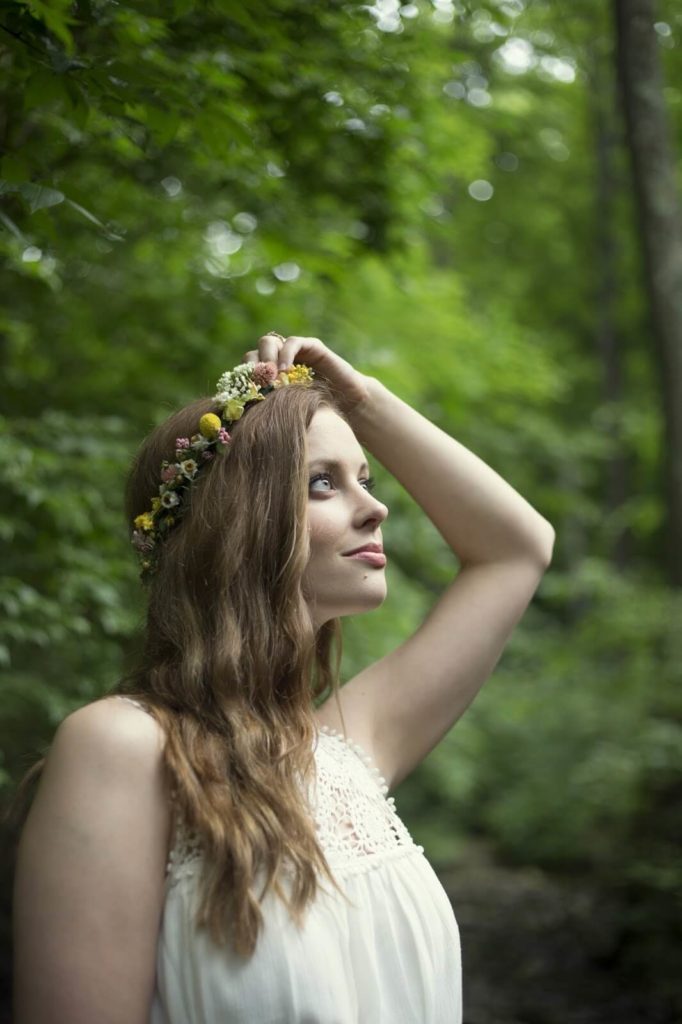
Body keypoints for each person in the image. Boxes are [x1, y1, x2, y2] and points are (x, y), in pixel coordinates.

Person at [11, 333, 555, 1024]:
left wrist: (362, 401)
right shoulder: (123, 747)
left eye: (368, 478)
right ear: (234, 523)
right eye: (323, 482)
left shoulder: (353, 749)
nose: (375, 506)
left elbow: (518, 549)